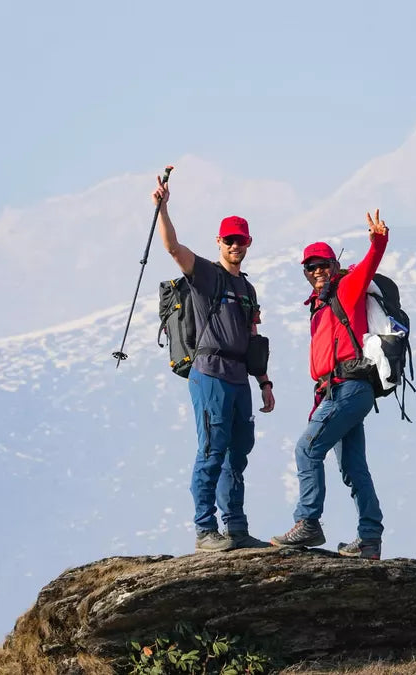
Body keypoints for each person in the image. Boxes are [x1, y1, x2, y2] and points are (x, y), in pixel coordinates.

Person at [152, 175, 276, 552]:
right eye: (229, 240)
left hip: (239, 377)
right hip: (209, 374)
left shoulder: (247, 289)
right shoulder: (208, 275)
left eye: (241, 240)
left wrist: (265, 382)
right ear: (219, 243)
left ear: (249, 244)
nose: (235, 245)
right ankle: (205, 529)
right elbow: (173, 248)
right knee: (211, 450)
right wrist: (163, 207)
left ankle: (236, 528)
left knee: (237, 452)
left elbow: (253, 338)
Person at [271, 209, 390, 560]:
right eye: (311, 267)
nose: (318, 271)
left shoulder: (347, 289)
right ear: (305, 273)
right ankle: (369, 538)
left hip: (350, 387)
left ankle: (308, 521)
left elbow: (370, 264)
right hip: (340, 390)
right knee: (354, 467)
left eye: (323, 264)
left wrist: (378, 240)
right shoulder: (319, 306)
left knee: (306, 450)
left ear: (334, 266)